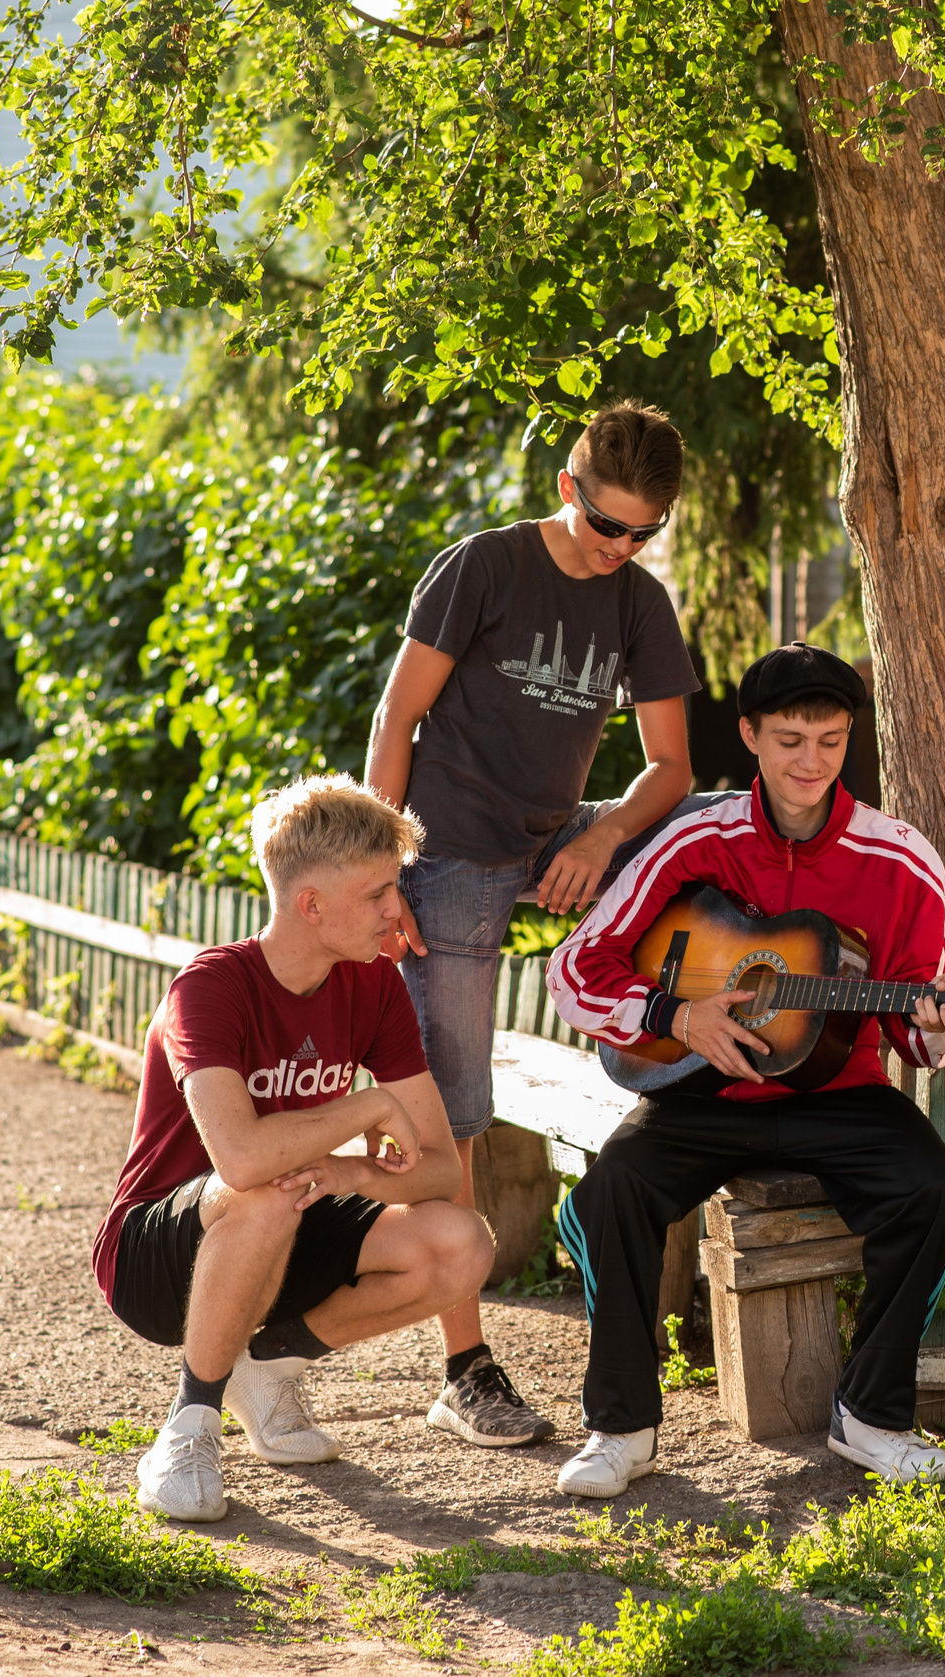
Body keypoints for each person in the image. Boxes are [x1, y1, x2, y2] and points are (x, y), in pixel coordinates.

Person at [543, 643, 945, 1497]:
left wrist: (937, 1026)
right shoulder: (695, 839)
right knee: (608, 1193)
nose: (811, 761)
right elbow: (575, 968)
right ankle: (622, 1425)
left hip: (840, 1092)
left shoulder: (901, 858)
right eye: (789, 740)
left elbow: (921, 1033)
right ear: (749, 734)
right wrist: (677, 1016)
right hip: (703, 1089)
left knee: (937, 1193)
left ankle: (872, 1416)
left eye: (830, 740)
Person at [362, 401, 706, 1449]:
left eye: (644, 532)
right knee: (458, 1106)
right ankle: (463, 1366)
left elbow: (669, 766)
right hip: (451, 844)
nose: (621, 548)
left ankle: (708, 1051)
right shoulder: (487, 566)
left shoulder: (638, 599)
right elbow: (397, 717)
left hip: (558, 835)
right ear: (569, 488)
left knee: (710, 822)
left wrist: (602, 839)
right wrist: (383, 874)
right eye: (608, 525)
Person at [93, 775, 493, 1523]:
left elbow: (441, 1168)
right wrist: (366, 1105)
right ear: (311, 905)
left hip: (287, 1218)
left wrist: (348, 1170)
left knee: (460, 1243)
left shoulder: (374, 986)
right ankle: (188, 1425)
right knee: (268, 1187)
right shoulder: (209, 987)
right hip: (155, 1255)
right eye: (378, 893)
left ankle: (269, 1367)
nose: (395, 909)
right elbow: (242, 1160)